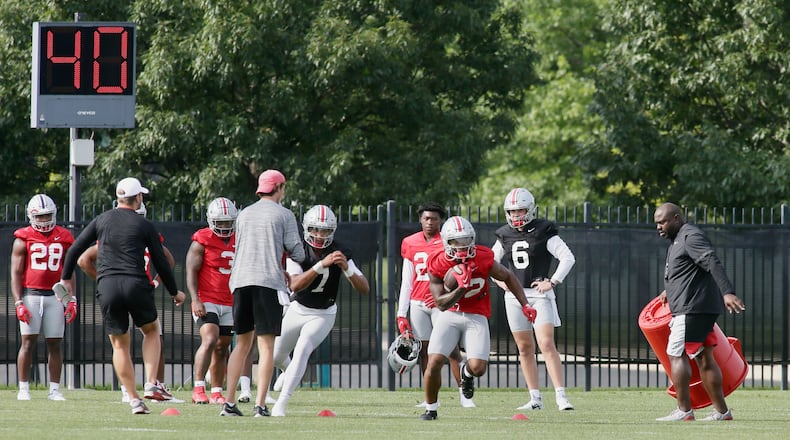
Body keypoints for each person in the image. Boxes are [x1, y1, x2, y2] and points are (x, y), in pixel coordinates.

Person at [59, 177, 186, 415]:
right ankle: (151, 382)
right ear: (138, 198)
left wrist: (66, 278)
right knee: (150, 330)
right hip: (136, 284)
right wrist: (174, 291)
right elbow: (161, 260)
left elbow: (76, 249)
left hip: (107, 286)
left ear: (118, 198)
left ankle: (134, 399)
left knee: (119, 344)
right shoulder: (143, 224)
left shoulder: (102, 219)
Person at [420, 216, 537, 420]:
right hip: (450, 314)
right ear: (447, 242)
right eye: (457, 242)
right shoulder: (438, 261)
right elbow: (441, 303)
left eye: (466, 240)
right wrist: (461, 288)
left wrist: (525, 304)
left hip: (477, 314)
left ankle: (466, 373)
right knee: (435, 361)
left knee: (478, 368)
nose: (463, 246)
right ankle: (431, 408)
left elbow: (508, 276)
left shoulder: (483, 257)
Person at [268, 204, 369, 416]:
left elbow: (365, 288)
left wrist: (347, 268)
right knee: (275, 356)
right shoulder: (297, 250)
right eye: (315, 229)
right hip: (298, 307)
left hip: (323, 313)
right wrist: (320, 265)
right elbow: (294, 285)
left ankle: (282, 403)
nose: (319, 235)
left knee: (304, 347)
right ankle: (289, 371)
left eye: (324, 231)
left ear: (332, 231)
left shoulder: (340, 251)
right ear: (306, 228)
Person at [220, 169, 305, 417]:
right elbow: (296, 251)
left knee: (241, 344)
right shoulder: (284, 214)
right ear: (278, 187)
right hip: (268, 282)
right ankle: (260, 405)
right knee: (266, 347)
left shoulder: (244, 214)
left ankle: (228, 402)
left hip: (241, 282)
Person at [77, 201, 179, 403]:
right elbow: (166, 260)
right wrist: (160, 284)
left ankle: (133, 391)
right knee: (153, 335)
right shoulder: (146, 231)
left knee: (122, 343)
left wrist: (104, 280)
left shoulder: (112, 235)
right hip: (138, 288)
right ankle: (152, 384)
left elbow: (81, 259)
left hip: (117, 288)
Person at [653, 202, 746, 421]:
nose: (659, 227)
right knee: (704, 358)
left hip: (691, 309)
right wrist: (668, 289)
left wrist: (728, 292)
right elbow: (686, 272)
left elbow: (711, 261)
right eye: (657, 223)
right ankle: (723, 412)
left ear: (676, 218)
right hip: (698, 308)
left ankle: (684, 411)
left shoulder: (690, 236)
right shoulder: (678, 240)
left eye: (663, 222)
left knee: (676, 354)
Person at [491, 188, 576, 411]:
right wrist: (501, 283)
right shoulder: (504, 235)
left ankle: (561, 396)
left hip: (539, 295)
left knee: (547, 343)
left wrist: (553, 281)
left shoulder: (543, 231)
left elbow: (567, 257)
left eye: (520, 210)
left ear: (530, 209)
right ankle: (535, 397)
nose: (516, 215)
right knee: (524, 347)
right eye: (513, 211)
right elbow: (489, 263)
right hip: (514, 298)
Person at [396, 202, 475, 408]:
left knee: (451, 350)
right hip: (418, 302)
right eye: (426, 218)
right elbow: (407, 280)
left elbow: (459, 272)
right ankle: (431, 398)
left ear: (441, 221)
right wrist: (401, 313)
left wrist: (443, 294)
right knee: (425, 350)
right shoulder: (410, 242)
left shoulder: (448, 241)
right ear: (420, 219)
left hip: (440, 303)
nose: (430, 222)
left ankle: (464, 395)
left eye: (434, 219)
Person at [11, 194, 76, 401]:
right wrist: (18, 302)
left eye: (47, 215)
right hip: (31, 295)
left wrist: (71, 299)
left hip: (55, 297)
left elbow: (70, 271)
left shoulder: (65, 237)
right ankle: (23, 388)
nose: (44, 220)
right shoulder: (23, 238)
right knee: (27, 342)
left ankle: (55, 389)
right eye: (40, 217)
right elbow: (16, 273)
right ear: (32, 217)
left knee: (55, 343)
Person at [186, 197, 238, 405]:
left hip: (230, 299)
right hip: (207, 298)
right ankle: (198, 388)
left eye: (228, 222)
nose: (224, 226)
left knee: (222, 347)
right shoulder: (202, 238)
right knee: (210, 338)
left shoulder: (241, 237)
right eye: (221, 222)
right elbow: (191, 270)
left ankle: (216, 391)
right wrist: (195, 299)